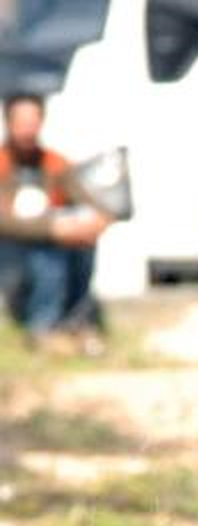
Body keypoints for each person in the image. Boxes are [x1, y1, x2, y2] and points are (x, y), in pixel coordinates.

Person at [0, 92, 111, 354]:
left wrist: (95, 222)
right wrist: (52, 230)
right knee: (48, 254)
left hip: (53, 241)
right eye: (21, 122)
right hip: (11, 252)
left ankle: (77, 323)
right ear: (8, 123)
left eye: (32, 122)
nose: (27, 130)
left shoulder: (53, 162)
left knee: (83, 245)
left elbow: (86, 198)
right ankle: (43, 327)